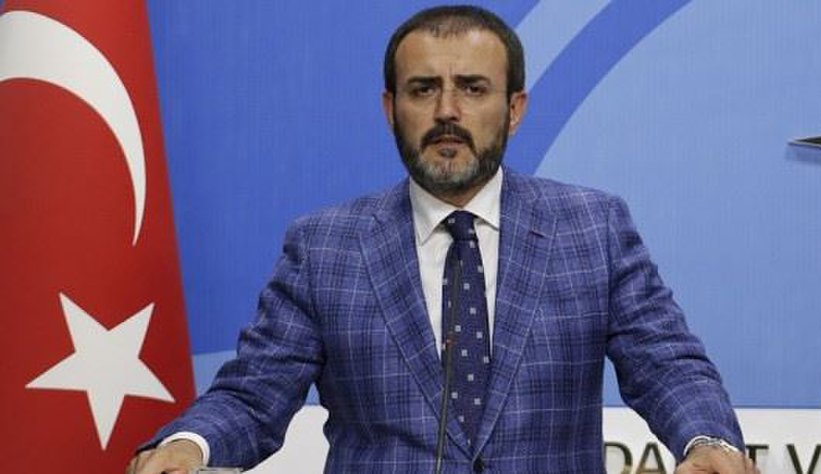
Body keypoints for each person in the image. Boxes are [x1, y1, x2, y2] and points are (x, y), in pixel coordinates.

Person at [129, 5, 759, 473]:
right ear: (390, 109)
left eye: (473, 89)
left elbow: (666, 364)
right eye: (423, 89)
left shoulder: (594, 229)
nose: (447, 111)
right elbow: (254, 394)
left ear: (515, 110)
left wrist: (708, 441)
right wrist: (189, 445)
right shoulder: (324, 248)